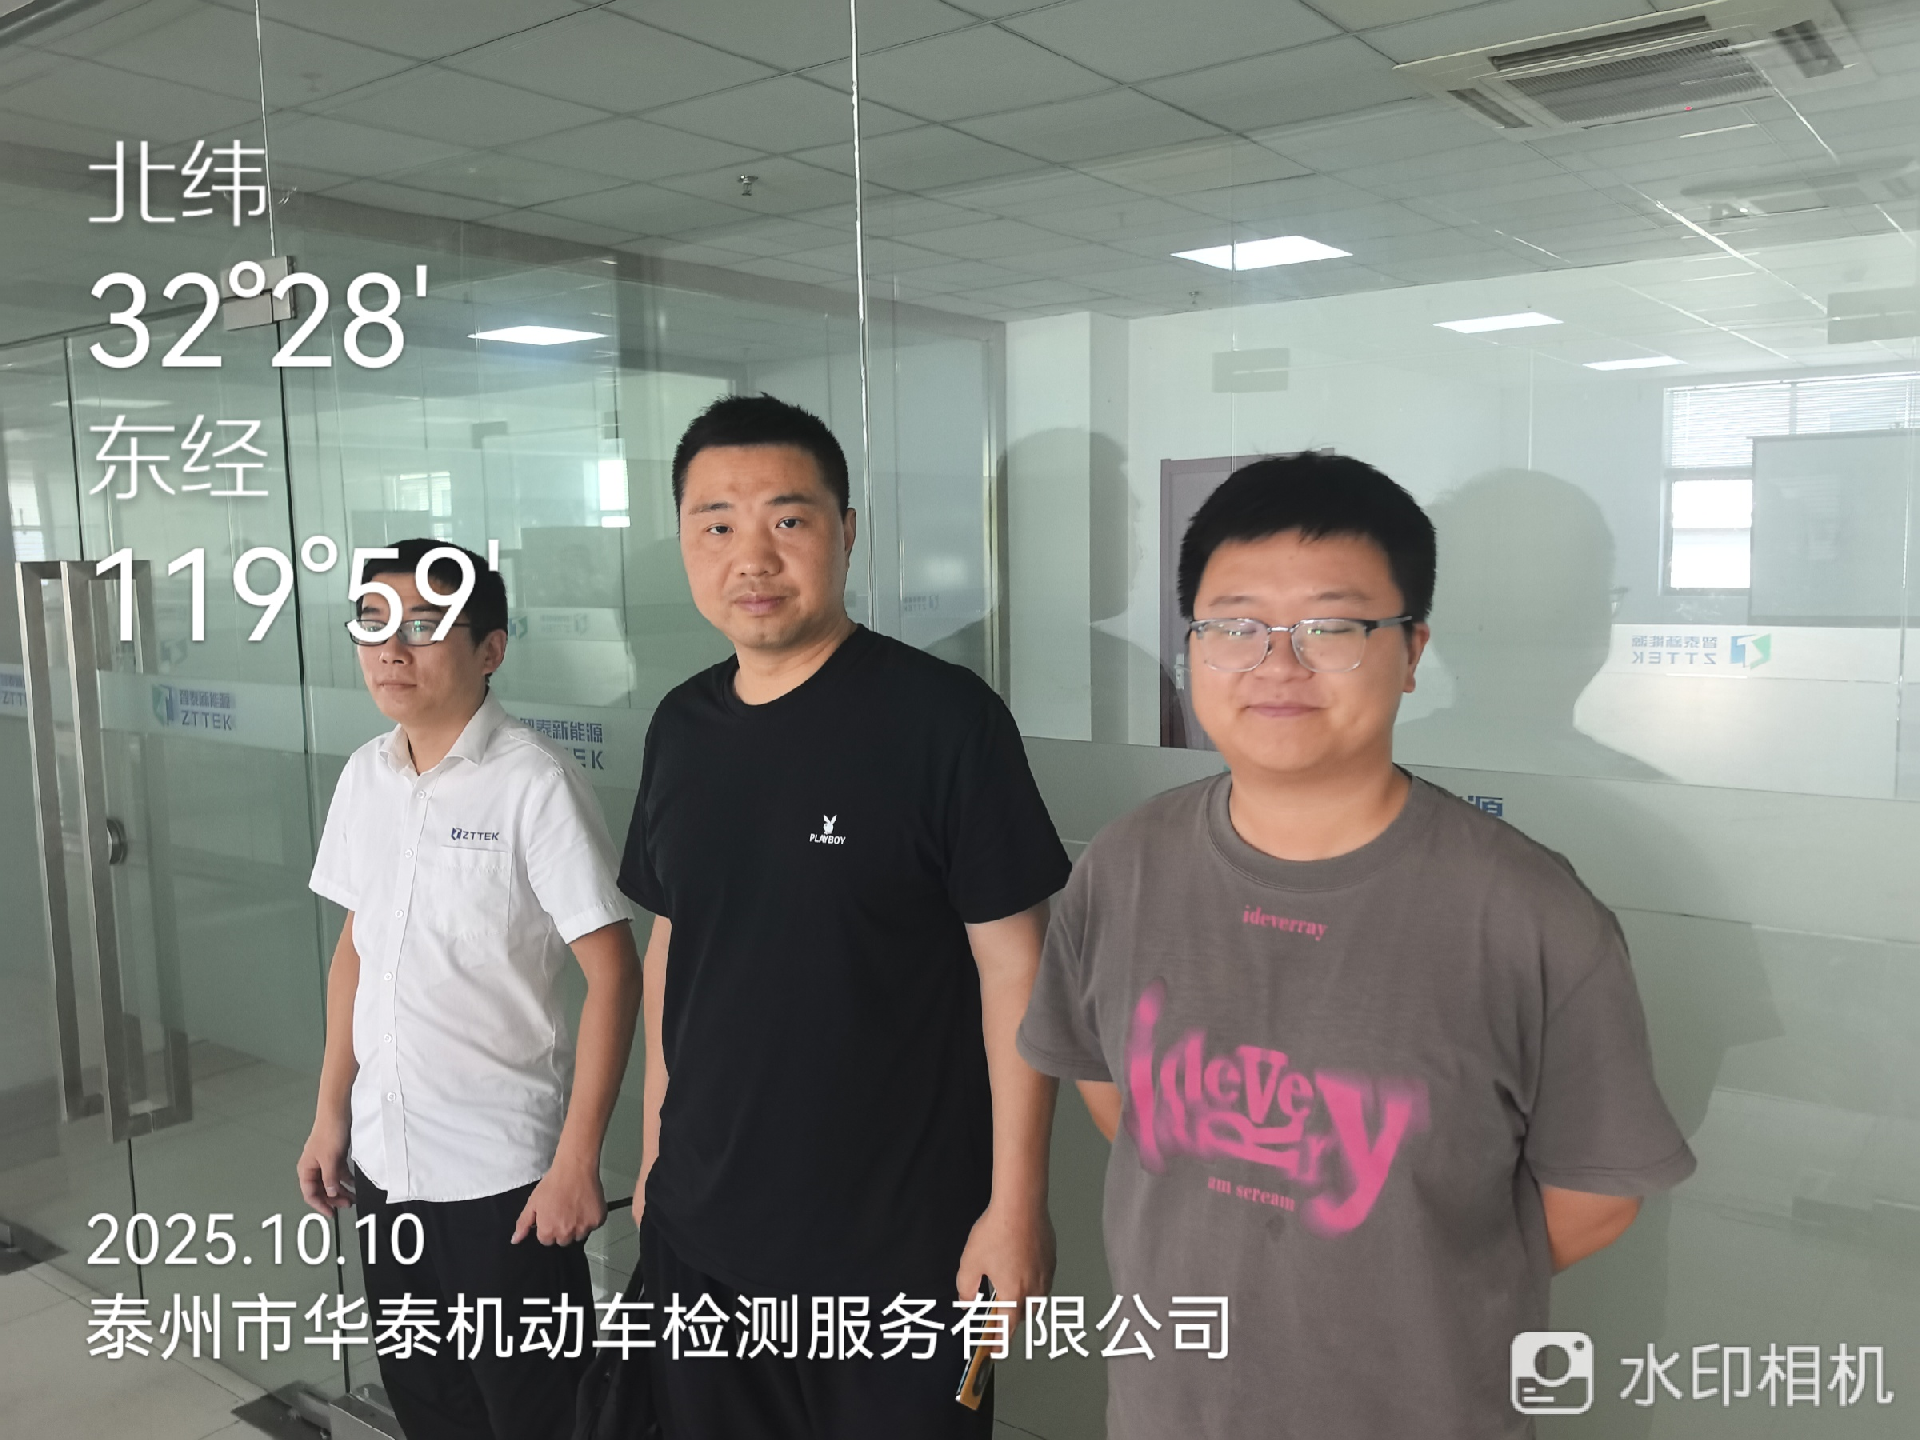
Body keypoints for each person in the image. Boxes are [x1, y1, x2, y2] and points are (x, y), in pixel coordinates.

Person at [1016, 453, 1696, 1439]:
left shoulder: (1530, 914)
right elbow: (1116, 1092)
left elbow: (1593, 1198)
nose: (1276, 664)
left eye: (1331, 628)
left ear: (1413, 650)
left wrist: (1393, 1281)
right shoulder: (1126, 864)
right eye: (1234, 625)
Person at [618, 394, 1070, 1437]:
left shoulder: (944, 720)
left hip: (897, 1253)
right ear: (683, 541)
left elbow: (1019, 971)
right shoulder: (680, 726)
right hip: (703, 1232)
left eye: (789, 518)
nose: (753, 556)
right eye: (716, 524)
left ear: (847, 529)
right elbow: (674, 948)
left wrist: (1015, 1207)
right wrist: (652, 1155)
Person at [297, 539, 641, 1440]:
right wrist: (331, 1114)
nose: (392, 650)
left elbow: (614, 971)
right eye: (374, 622)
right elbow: (355, 952)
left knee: (538, 1416)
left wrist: (577, 1163)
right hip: (385, 1166)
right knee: (430, 1407)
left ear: (490, 650)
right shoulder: (365, 776)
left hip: (504, 1181)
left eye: (424, 627)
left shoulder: (535, 783)